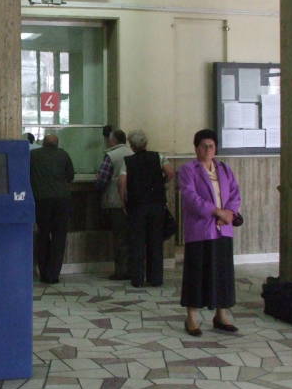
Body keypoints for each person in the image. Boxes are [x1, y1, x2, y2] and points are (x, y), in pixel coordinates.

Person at [177, 129, 241, 337]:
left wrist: (229, 213)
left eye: (211, 146)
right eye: (204, 146)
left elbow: (234, 193)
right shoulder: (188, 170)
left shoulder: (224, 169)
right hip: (200, 230)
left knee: (222, 272)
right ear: (196, 148)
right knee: (197, 272)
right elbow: (190, 197)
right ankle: (193, 317)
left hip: (223, 229)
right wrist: (216, 211)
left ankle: (221, 314)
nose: (208, 149)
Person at [118, 130, 174, 287]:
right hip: (157, 204)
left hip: (137, 206)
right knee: (155, 242)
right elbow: (170, 172)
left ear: (132, 146)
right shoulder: (159, 157)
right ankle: (155, 278)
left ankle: (137, 279)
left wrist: (124, 201)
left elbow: (122, 183)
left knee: (137, 242)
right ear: (146, 144)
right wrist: (161, 183)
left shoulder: (127, 161)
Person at [30, 133, 75, 284]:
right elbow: (70, 176)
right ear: (57, 144)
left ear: (43, 143)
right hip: (62, 200)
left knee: (43, 235)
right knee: (59, 237)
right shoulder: (63, 155)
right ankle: (54, 274)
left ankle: (43, 272)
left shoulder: (33, 155)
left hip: (41, 200)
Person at [92, 129, 133, 280]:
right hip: (133, 202)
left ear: (113, 140)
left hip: (115, 201)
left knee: (119, 238)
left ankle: (121, 271)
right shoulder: (132, 152)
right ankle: (132, 269)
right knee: (131, 237)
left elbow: (102, 180)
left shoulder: (111, 155)